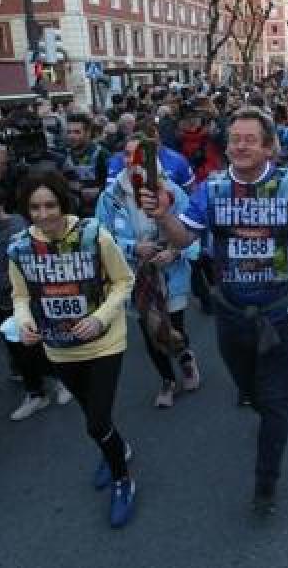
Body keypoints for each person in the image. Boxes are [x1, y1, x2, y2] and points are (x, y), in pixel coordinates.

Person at [139, 106, 288, 515]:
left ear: (268, 148)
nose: (240, 146)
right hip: (231, 310)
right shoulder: (211, 189)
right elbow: (184, 236)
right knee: (249, 386)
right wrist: (164, 215)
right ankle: (260, 404)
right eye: (234, 139)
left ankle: (266, 484)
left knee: (277, 400)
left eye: (249, 140)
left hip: (282, 308)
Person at [8, 171, 138, 528]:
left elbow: (124, 280)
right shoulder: (20, 246)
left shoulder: (95, 235)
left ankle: (122, 479)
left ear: (63, 203)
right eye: (34, 207)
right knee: (94, 417)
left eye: (50, 205)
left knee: (96, 422)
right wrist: (24, 321)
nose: (43, 214)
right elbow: (20, 295)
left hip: (104, 343)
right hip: (59, 347)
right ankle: (117, 447)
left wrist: (100, 317)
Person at [98, 138, 202, 408]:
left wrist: (174, 252)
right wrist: (134, 249)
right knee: (150, 332)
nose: (132, 161)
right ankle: (167, 380)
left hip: (171, 275)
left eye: (139, 156)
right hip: (135, 278)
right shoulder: (110, 198)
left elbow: (193, 234)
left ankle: (185, 358)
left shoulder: (173, 192)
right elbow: (100, 239)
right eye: (127, 154)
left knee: (174, 328)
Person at [0, 182, 69, 420]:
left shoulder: (17, 227)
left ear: (0, 205)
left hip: (27, 300)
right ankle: (35, 393)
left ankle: (62, 381)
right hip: (1, 302)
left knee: (40, 343)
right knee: (17, 350)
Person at [63, 113, 110, 216]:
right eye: (69, 132)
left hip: (98, 211)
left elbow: (114, 183)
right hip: (72, 212)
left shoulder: (101, 154)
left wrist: (99, 190)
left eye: (77, 132)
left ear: (88, 133)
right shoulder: (63, 155)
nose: (71, 136)